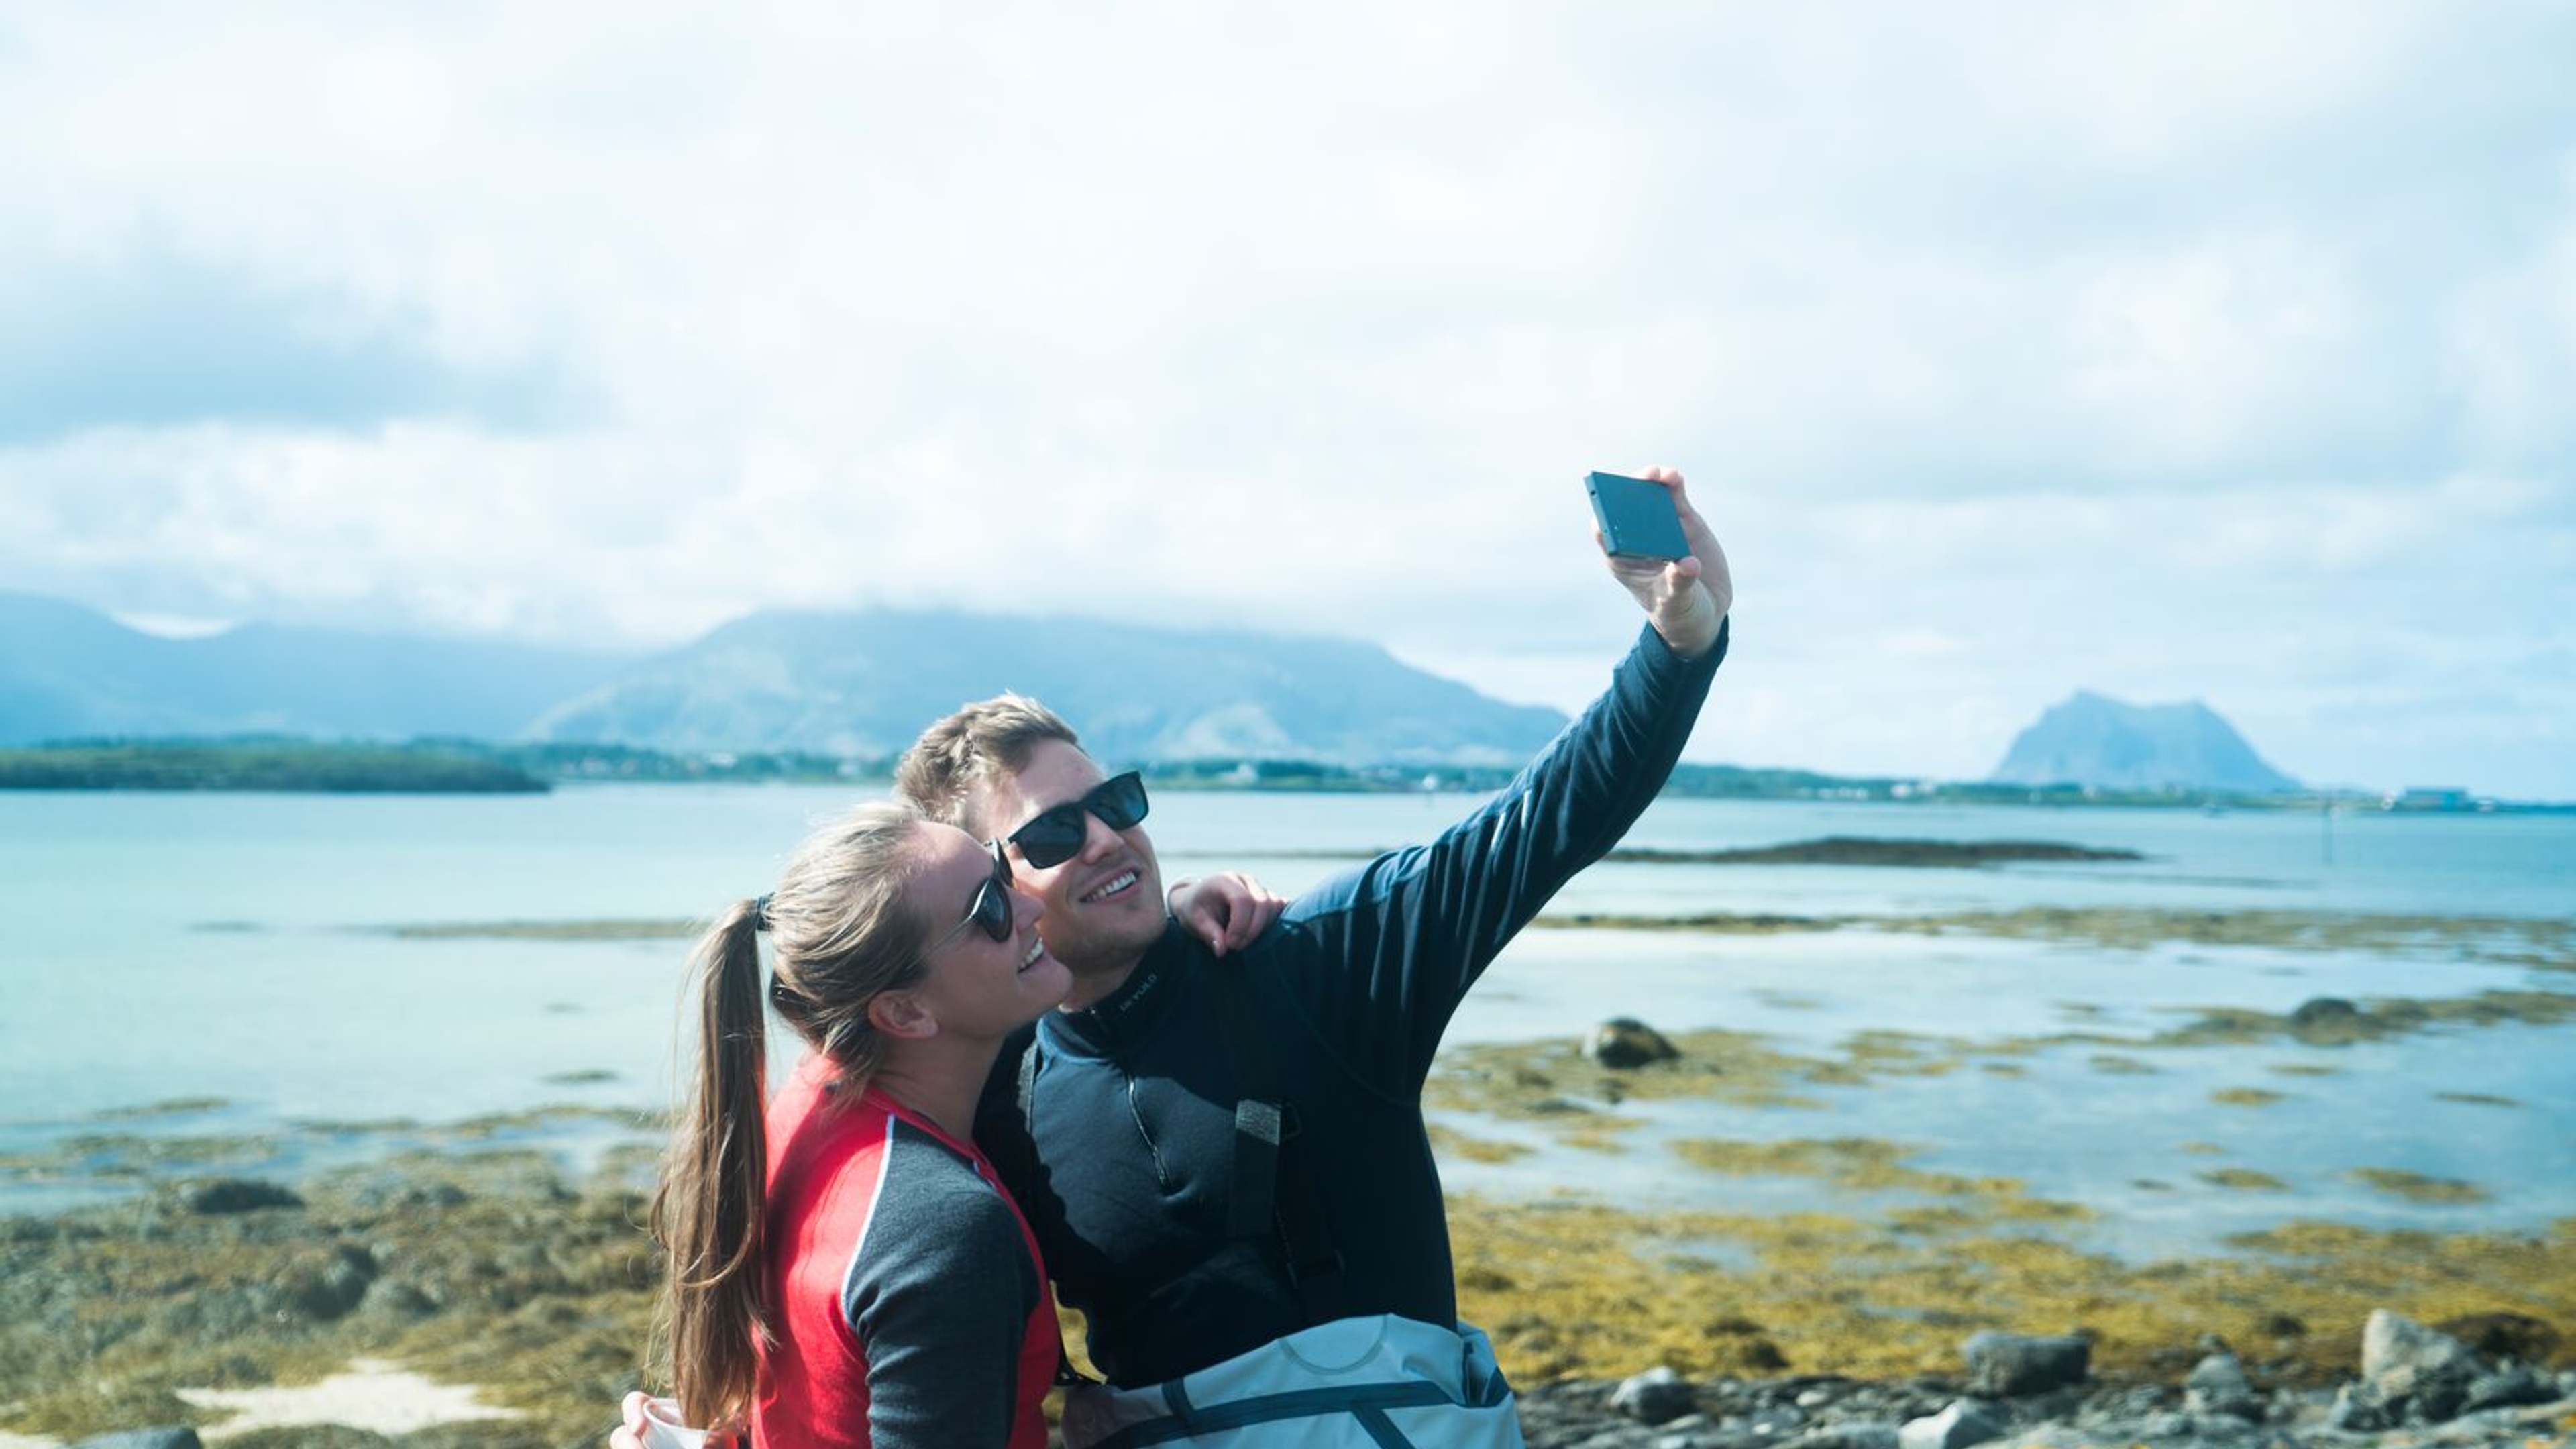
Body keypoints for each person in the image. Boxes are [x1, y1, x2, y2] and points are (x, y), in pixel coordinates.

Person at [626, 464, 1729, 1442]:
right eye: (1057, 833)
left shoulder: (1319, 966)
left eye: (1117, 801)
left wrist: (1679, 648)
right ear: (990, 893)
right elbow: (905, 1304)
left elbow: (1540, 823)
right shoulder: (985, 1076)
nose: (1110, 838)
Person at [643, 800, 1283, 1448]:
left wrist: (1172, 916)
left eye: (1003, 873)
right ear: (904, 1012)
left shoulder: (804, 1111)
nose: (1031, 907)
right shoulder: (943, 1231)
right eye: (992, 912)